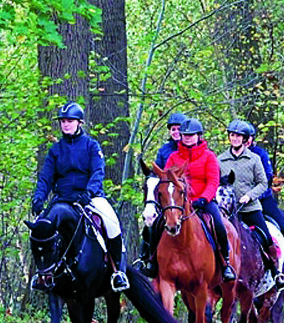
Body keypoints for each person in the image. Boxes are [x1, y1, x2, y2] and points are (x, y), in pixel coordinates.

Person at [31, 102, 129, 292]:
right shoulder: (55, 150)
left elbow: (98, 172)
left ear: (79, 123)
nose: (66, 125)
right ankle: (42, 274)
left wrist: (89, 192)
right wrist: (39, 198)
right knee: (40, 229)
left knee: (112, 223)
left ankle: (119, 272)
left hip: (89, 197)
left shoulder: (91, 146)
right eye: (63, 122)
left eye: (70, 121)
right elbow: (46, 177)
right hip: (63, 198)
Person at [162, 118, 237, 282]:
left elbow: (213, 181)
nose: (187, 137)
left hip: (203, 201)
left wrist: (203, 198)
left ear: (198, 136)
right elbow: (167, 181)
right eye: (184, 135)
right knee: (157, 224)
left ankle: (226, 264)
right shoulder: (173, 157)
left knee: (219, 223)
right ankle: (150, 260)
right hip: (179, 203)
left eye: (191, 135)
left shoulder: (209, 156)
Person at [219, 120, 284, 287]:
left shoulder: (254, 159)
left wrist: (249, 196)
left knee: (267, 238)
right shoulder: (220, 160)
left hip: (250, 208)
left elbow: (263, 183)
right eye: (232, 135)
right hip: (228, 210)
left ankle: (276, 273)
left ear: (245, 139)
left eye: (238, 136)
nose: (234, 139)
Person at [241, 121, 284, 274]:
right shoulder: (229, 157)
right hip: (239, 202)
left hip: (262, 199)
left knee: (282, 227)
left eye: (247, 138)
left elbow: (267, 178)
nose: (245, 141)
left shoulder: (260, 154)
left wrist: (252, 196)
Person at [138, 112, 187, 276]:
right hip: (169, 197)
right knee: (150, 224)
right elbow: (157, 172)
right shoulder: (165, 151)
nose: (176, 132)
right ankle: (148, 259)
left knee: (216, 222)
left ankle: (224, 261)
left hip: (188, 196)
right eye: (173, 129)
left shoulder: (191, 149)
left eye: (178, 129)